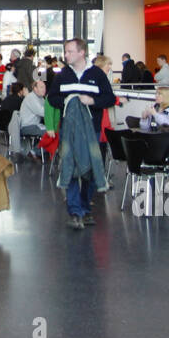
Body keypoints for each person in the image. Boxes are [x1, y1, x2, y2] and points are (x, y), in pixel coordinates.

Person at [48, 38, 113, 229]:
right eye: (66, 51)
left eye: (69, 51)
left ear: (82, 52)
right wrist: (69, 101)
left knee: (90, 170)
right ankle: (75, 211)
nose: (66, 55)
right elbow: (52, 98)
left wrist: (92, 102)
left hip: (91, 130)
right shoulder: (62, 76)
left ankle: (85, 208)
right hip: (69, 130)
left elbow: (109, 98)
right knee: (71, 166)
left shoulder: (97, 75)